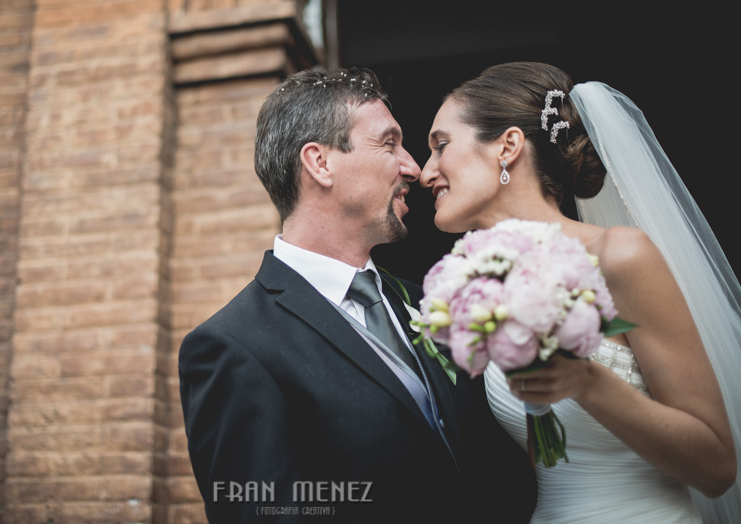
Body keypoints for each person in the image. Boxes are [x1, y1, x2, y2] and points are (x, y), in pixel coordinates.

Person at [179, 66, 536, 523]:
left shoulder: (434, 303)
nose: (413, 168)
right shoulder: (233, 346)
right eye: (389, 144)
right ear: (319, 163)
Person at [418, 61, 741, 523]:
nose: (425, 172)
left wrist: (589, 382)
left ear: (507, 146)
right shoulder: (481, 288)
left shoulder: (619, 257)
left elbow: (717, 467)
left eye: (441, 146)